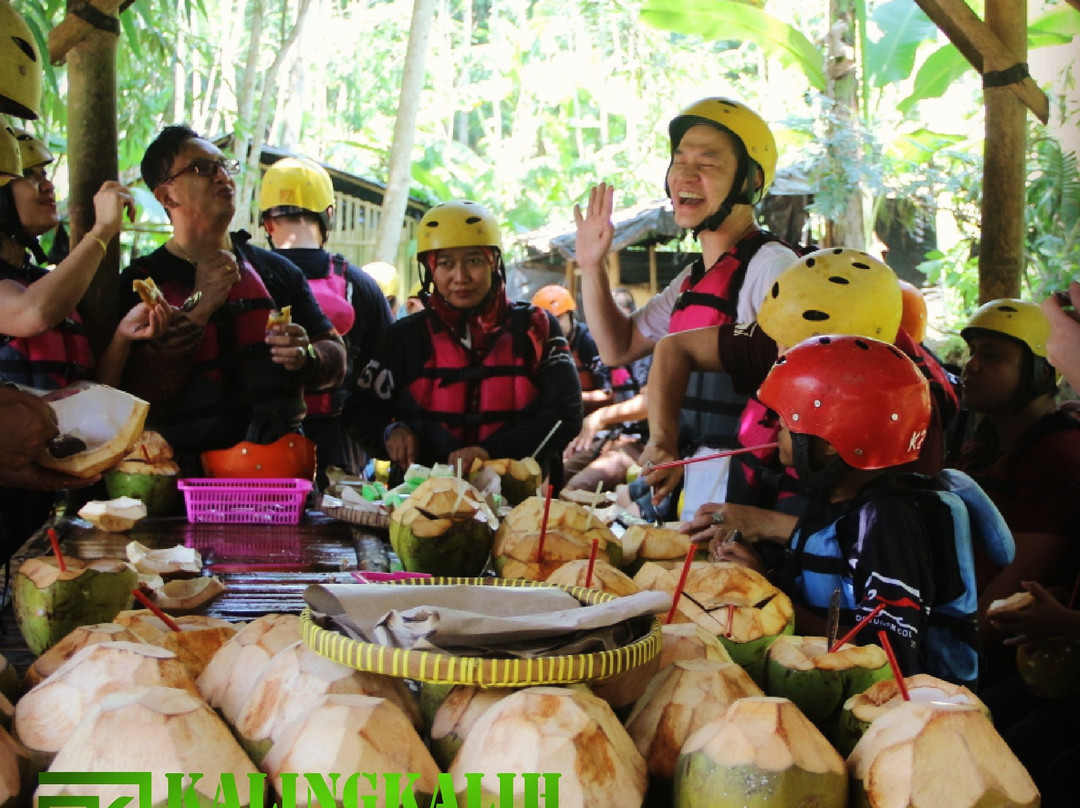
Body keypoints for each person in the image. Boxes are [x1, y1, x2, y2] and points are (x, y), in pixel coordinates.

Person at [717, 335, 1003, 687]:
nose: (777, 432)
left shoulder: (886, 524)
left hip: (895, 715)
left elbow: (883, 655)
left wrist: (768, 593)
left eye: (787, 423)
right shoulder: (836, 504)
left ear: (831, 445)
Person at [643, 248, 959, 550]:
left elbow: (885, 538)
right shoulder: (794, 334)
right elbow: (674, 350)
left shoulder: (908, 407)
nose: (778, 360)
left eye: (792, 351)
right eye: (779, 346)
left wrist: (765, 523)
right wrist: (663, 442)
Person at [575, 97, 798, 520]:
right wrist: (591, 265)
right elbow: (617, 347)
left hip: (744, 492)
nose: (685, 175)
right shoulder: (692, 279)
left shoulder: (772, 267)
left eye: (708, 163)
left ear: (750, 181)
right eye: (679, 161)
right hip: (695, 477)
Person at [116, 125, 346, 476]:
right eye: (203, 168)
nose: (223, 176)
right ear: (166, 196)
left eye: (224, 166)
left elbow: (337, 355)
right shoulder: (141, 283)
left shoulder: (277, 272)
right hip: (183, 486)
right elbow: (137, 395)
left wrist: (309, 357)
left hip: (282, 478)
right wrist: (202, 304)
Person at [0, 127, 165, 548]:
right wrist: (101, 233)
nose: (47, 185)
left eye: (45, 173)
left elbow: (85, 395)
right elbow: (30, 314)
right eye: (30, 174)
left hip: (43, 494)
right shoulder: (38, 297)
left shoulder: (45, 283)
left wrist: (122, 340)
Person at [345, 199, 582, 478]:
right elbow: (358, 410)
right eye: (446, 263)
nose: (461, 277)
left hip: (522, 504)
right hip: (421, 502)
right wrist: (390, 431)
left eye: (473, 260)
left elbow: (566, 414)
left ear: (493, 261)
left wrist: (490, 452)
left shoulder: (537, 327)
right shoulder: (403, 337)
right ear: (430, 269)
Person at [952, 299, 1080, 683]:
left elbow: (1016, 585)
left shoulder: (1056, 458)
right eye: (972, 353)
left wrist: (946, 661)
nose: (970, 365)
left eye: (991, 356)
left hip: (1000, 651)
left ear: (1041, 372)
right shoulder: (987, 443)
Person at [259, 156, 393, 483]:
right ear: (328, 215)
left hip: (263, 449)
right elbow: (393, 366)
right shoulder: (361, 286)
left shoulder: (249, 280)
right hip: (343, 447)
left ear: (267, 224)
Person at [560, 286, 651, 493]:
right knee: (555, 476)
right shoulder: (609, 350)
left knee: (575, 490)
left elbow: (649, 403)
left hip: (641, 444)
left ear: (629, 313)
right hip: (614, 436)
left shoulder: (647, 349)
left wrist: (600, 417)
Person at [531, 284, 612, 416]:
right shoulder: (540, 346)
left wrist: (566, 397)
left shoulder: (588, 341)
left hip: (596, 416)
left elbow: (607, 394)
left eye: (557, 319)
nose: (551, 327)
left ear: (571, 316)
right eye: (544, 322)